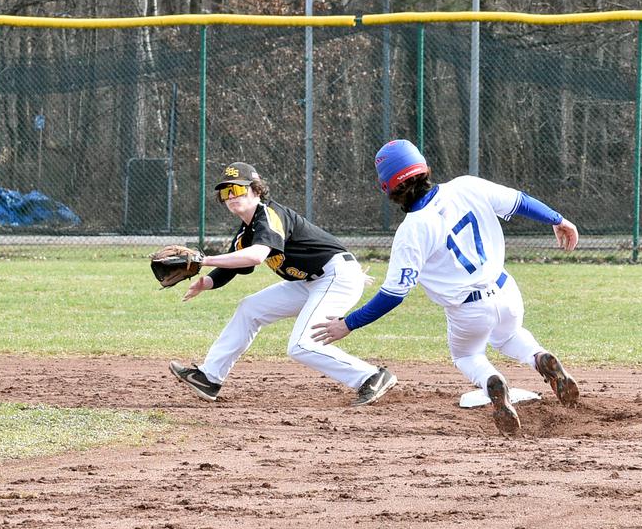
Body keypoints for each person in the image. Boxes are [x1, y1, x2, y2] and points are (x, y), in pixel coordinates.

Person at [311, 139, 580, 435]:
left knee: (467, 356)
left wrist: (349, 323)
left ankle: (492, 379)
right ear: (425, 168)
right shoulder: (466, 185)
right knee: (510, 335)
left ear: (387, 189)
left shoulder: (411, 229)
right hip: (506, 292)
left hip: (468, 309)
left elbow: (393, 295)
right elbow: (520, 202)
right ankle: (539, 358)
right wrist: (558, 219)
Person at [169, 162, 397, 406]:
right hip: (311, 282)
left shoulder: (268, 215)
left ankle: (372, 376)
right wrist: (207, 282)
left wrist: (204, 259)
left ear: (256, 191)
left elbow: (256, 255)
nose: (231, 196)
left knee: (301, 345)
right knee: (250, 308)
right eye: (226, 192)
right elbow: (234, 265)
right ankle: (209, 377)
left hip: (336, 277)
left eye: (238, 189)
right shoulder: (246, 231)